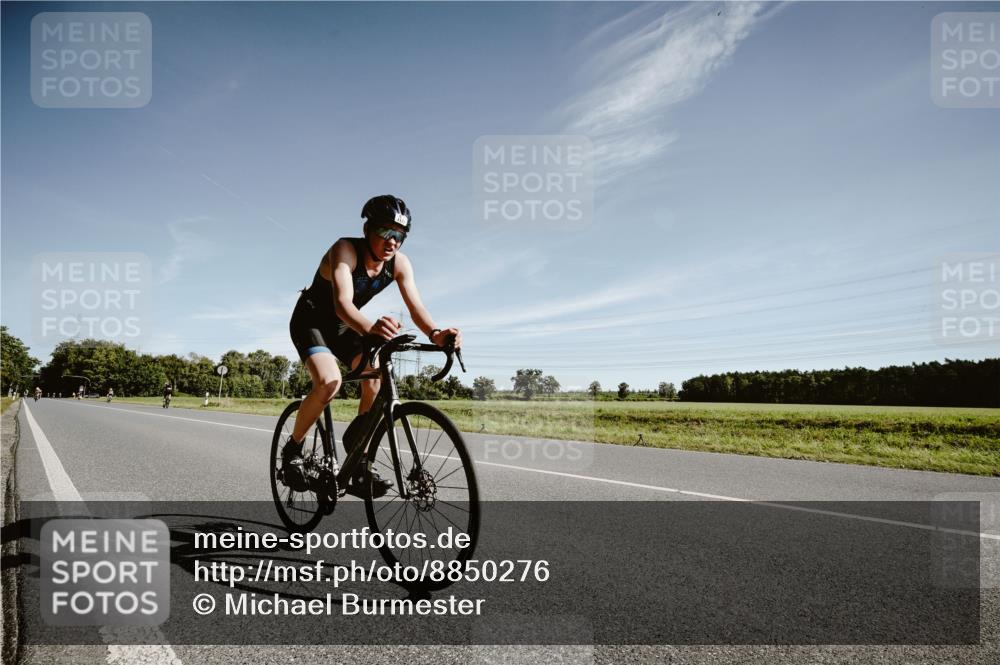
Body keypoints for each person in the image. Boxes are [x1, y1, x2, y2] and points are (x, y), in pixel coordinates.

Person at [286, 195, 461, 498]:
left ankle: (359, 460)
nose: (393, 241)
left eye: (400, 236)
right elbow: (342, 304)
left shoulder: (399, 264)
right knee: (330, 382)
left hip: (344, 328)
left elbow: (416, 306)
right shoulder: (345, 251)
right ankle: (293, 450)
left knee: (377, 377)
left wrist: (436, 333)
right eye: (386, 232)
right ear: (368, 229)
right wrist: (371, 329)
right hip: (311, 321)